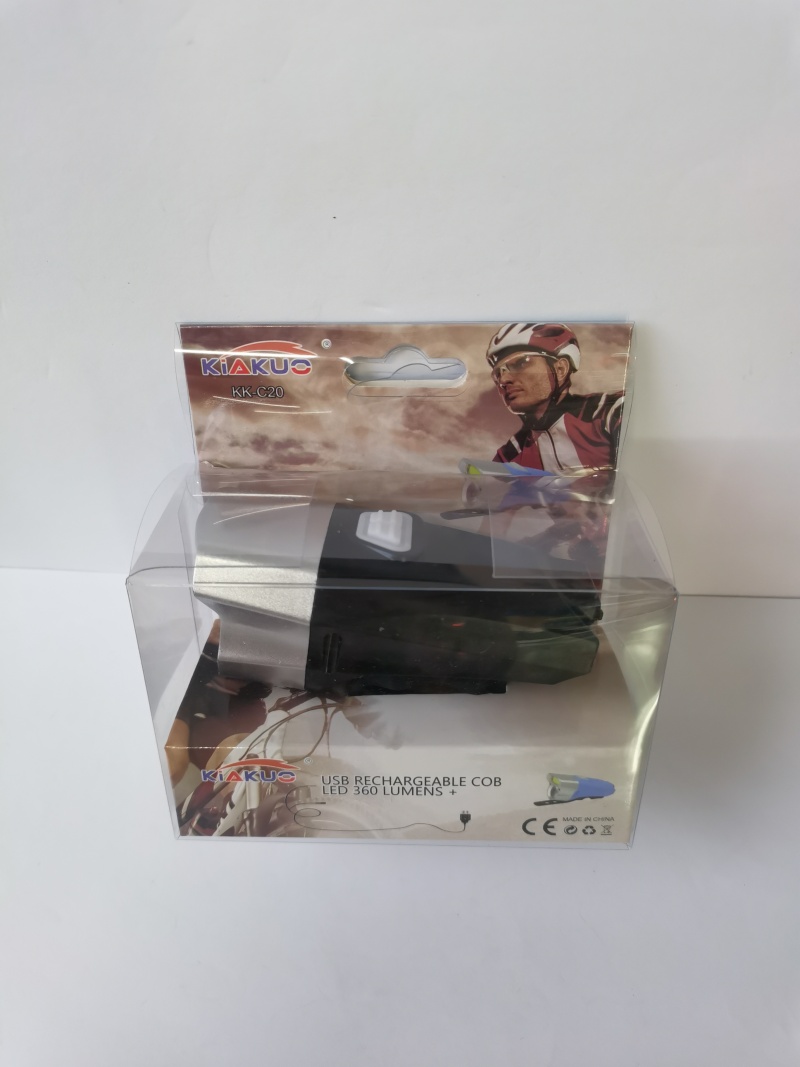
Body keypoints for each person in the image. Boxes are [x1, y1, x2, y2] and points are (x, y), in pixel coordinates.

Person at [487, 323, 623, 472]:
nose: (503, 379)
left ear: (560, 369)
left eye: (520, 363)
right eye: (498, 373)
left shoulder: (609, 411)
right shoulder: (508, 456)